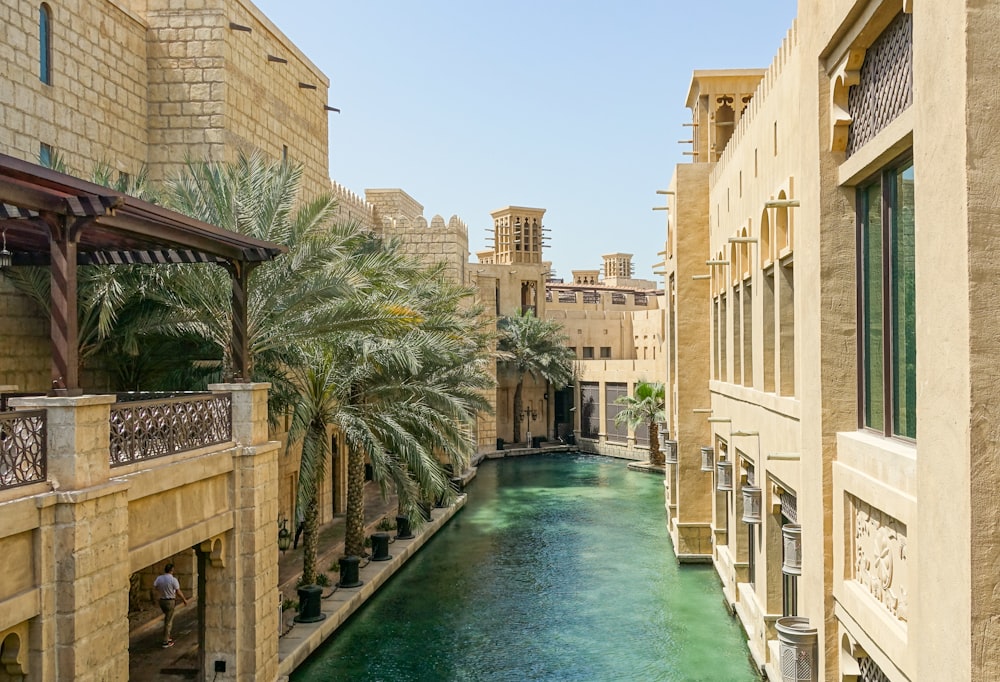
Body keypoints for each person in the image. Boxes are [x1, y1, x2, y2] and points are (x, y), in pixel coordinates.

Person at [153, 563, 188, 648]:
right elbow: (178, 591)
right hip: (170, 601)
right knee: (168, 621)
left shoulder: (159, 578)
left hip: (162, 601)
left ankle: (167, 637)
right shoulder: (173, 580)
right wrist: (184, 599)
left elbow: (155, 586)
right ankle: (165, 641)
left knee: (167, 618)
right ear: (172, 570)